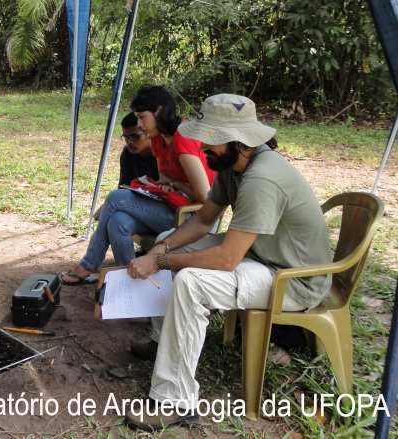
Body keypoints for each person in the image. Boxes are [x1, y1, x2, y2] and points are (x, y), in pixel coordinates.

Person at [124, 94, 332, 430]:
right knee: (165, 239)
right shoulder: (233, 166)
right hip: (261, 255)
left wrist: (161, 263)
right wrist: (160, 250)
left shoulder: (261, 179)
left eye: (211, 139)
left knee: (190, 281)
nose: (203, 146)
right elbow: (203, 221)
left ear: (240, 142)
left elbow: (226, 258)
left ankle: (174, 400)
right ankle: (163, 341)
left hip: (293, 278)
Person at [62, 86, 215, 285]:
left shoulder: (182, 138)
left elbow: (205, 195)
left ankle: (89, 265)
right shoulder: (158, 139)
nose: (140, 125)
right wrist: (165, 186)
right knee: (117, 221)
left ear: (158, 111)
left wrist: (174, 184)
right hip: (169, 206)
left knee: (115, 198)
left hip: (190, 218)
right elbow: (164, 178)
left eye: (142, 117)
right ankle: (134, 283)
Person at [118, 111, 159, 186]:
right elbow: (124, 185)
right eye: (126, 137)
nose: (129, 142)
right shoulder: (127, 153)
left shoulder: (162, 154)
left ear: (149, 133)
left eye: (135, 136)